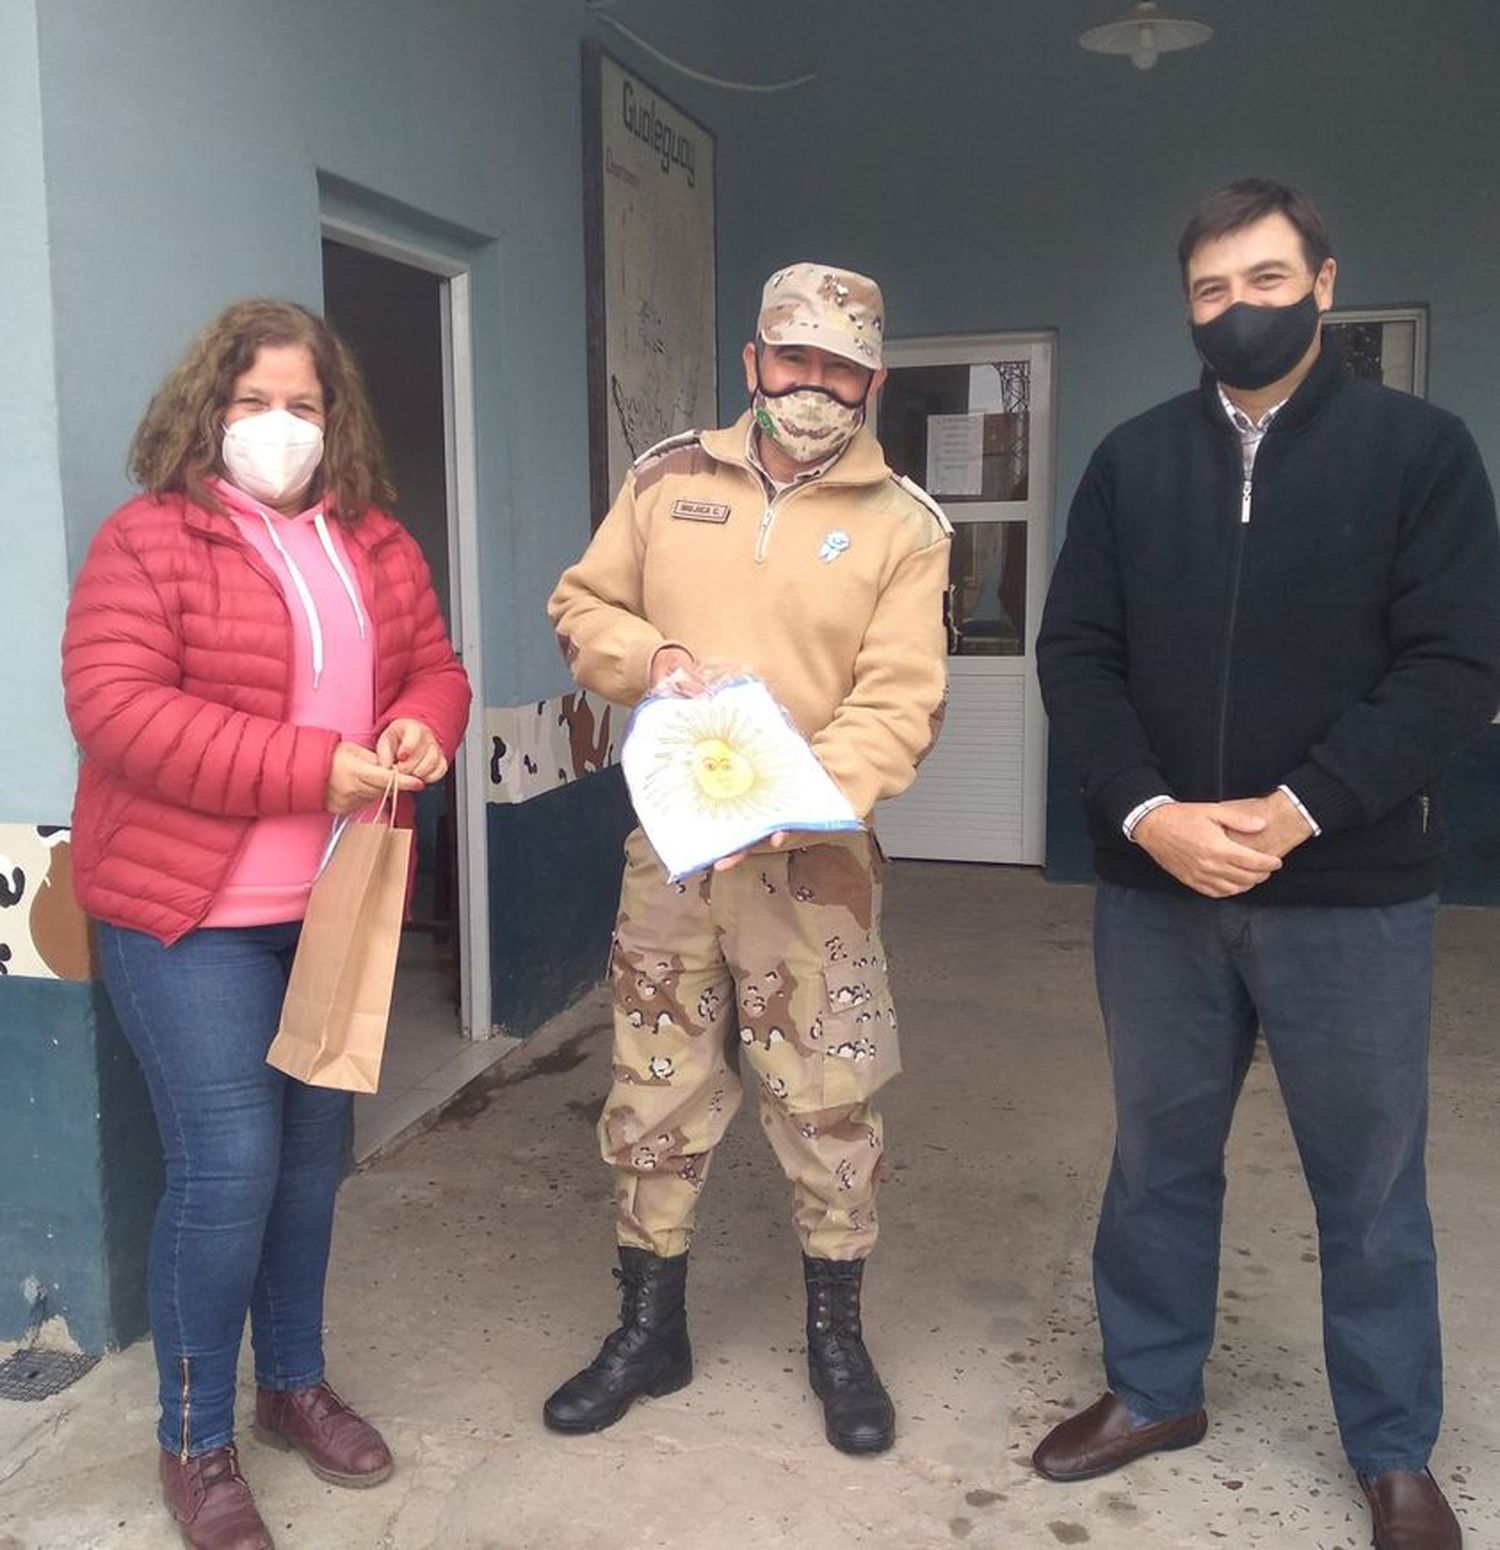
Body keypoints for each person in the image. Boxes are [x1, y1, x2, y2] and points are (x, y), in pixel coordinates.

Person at [1033, 179, 1500, 1550]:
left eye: (1266, 277)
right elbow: (1078, 654)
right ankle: (1153, 1385)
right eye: (1212, 290)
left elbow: (1457, 667)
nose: (1241, 307)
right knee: (1158, 1159)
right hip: (1157, 891)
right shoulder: (1131, 463)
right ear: (1189, 309)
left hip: (1349, 897)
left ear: (1325, 281)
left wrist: (1297, 809)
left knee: (1368, 1181)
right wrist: (1147, 812)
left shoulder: (1422, 454)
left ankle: (1393, 1445)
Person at [62, 299, 471, 1550]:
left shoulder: (375, 541)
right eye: (253, 403)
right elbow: (117, 708)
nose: (278, 427)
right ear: (208, 411)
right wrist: (312, 767)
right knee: (228, 1166)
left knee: (307, 1166)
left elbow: (434, 668)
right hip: (191, 917)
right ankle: (194, 1438)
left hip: (336, 903)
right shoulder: (149, 541)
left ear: (333, 418)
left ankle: (293, 1383)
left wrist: (424, 728)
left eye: (303, 404)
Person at [544, 262, 950, 1455]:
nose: (814, 388)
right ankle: (648, 1325)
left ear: (873, 379)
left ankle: (837, 1333)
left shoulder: (903, 526)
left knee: (827, 1094)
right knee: (653, 1080)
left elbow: (900, 699)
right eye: (795, 361)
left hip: (813, 865)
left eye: (841, 368)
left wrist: (812, 798)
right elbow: (583, 606)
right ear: (753, 363)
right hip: (671, 852)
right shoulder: (667, 479)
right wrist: (653, 655)